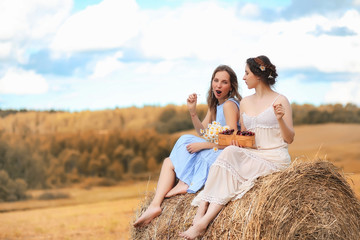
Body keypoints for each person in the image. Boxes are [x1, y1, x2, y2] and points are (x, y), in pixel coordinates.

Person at [180, 55, 295, 239]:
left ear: (258, 76)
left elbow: (289, 138)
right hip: (253, 153)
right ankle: (200, 213)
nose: (243, 77)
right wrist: (234, 141)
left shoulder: (281, 100)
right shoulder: (245, 103)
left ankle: (202, 223)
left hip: (274, 158)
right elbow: (245, 136)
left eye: (247, 73)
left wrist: (280, 119)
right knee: (229, 153)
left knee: (230, 164)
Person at [133, 65, 242, 227]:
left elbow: (232, 139)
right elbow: (202, 132)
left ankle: (185, 182)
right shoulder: (216, 105)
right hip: (212, 148)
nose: (218, 85)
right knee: (168, 162)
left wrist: (202, 146)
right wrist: (192, 112)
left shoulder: (229, 105)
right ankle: (155, 205)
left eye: (224, 82)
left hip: (223, 154)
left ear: (231, 86)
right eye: (216, 80)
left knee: (185, 140)